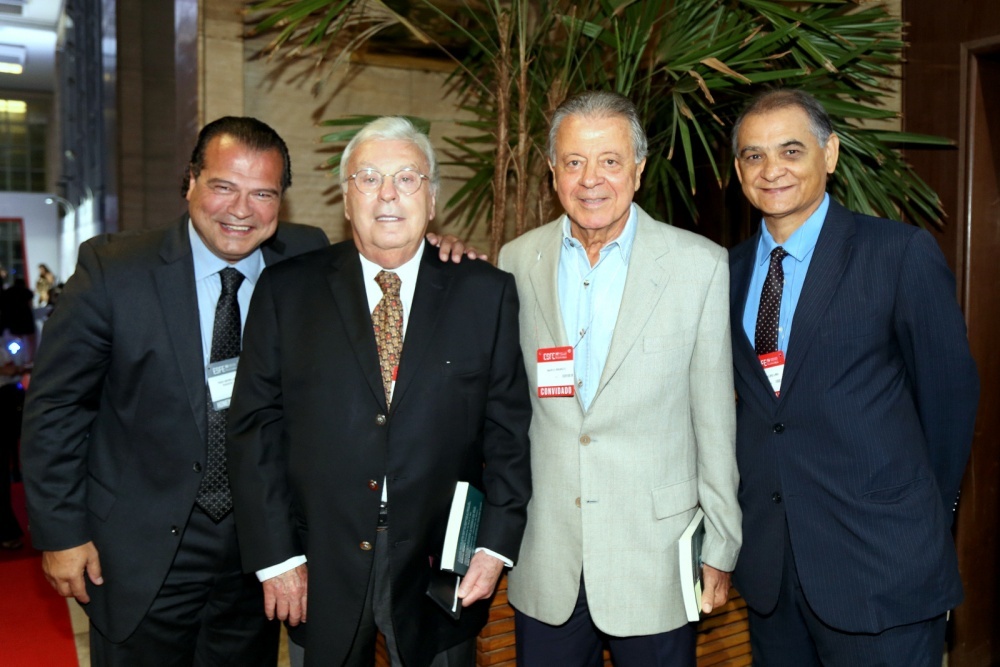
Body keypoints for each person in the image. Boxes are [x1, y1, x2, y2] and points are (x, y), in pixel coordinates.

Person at [21, 115, 475, 666]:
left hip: (263, 549)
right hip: (142, 546)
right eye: (223, 187)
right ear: (190, 182)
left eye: (262, 193)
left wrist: (440, 250)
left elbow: (389, 254)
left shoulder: (304, 259)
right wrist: (61, 532)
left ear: (282, 202)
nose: (241, 210)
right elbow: (56, 409)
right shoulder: (115, 270)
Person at [225, 115, 532, 667]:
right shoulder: (286, 292)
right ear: (347, 200)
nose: (388, 194)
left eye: (408, 178)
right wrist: (277, 558)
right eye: (368, 178)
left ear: (432, 198)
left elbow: (507, 431)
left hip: (440, 562)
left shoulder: (486, 294)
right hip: (318, 557)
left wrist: (493, 545)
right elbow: (255, 432)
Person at [728, 88, 979, 666]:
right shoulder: (728, 271)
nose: (772, 171)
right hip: (771, 575)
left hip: (882, 568)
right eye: (753, 156)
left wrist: (916, 525)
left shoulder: (898, 253)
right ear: (738, 169)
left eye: (791, 151)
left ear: (830, 153)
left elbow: (949, 403)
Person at [497, 90, 741, 666]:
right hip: (549, 556)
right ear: (553, 170)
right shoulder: (515, 261)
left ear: (639, 168)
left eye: (609, 160)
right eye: (574, 162)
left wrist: (722, 546)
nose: (590, 180)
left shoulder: (699, 266)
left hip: (654, 557)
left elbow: (715, 420)